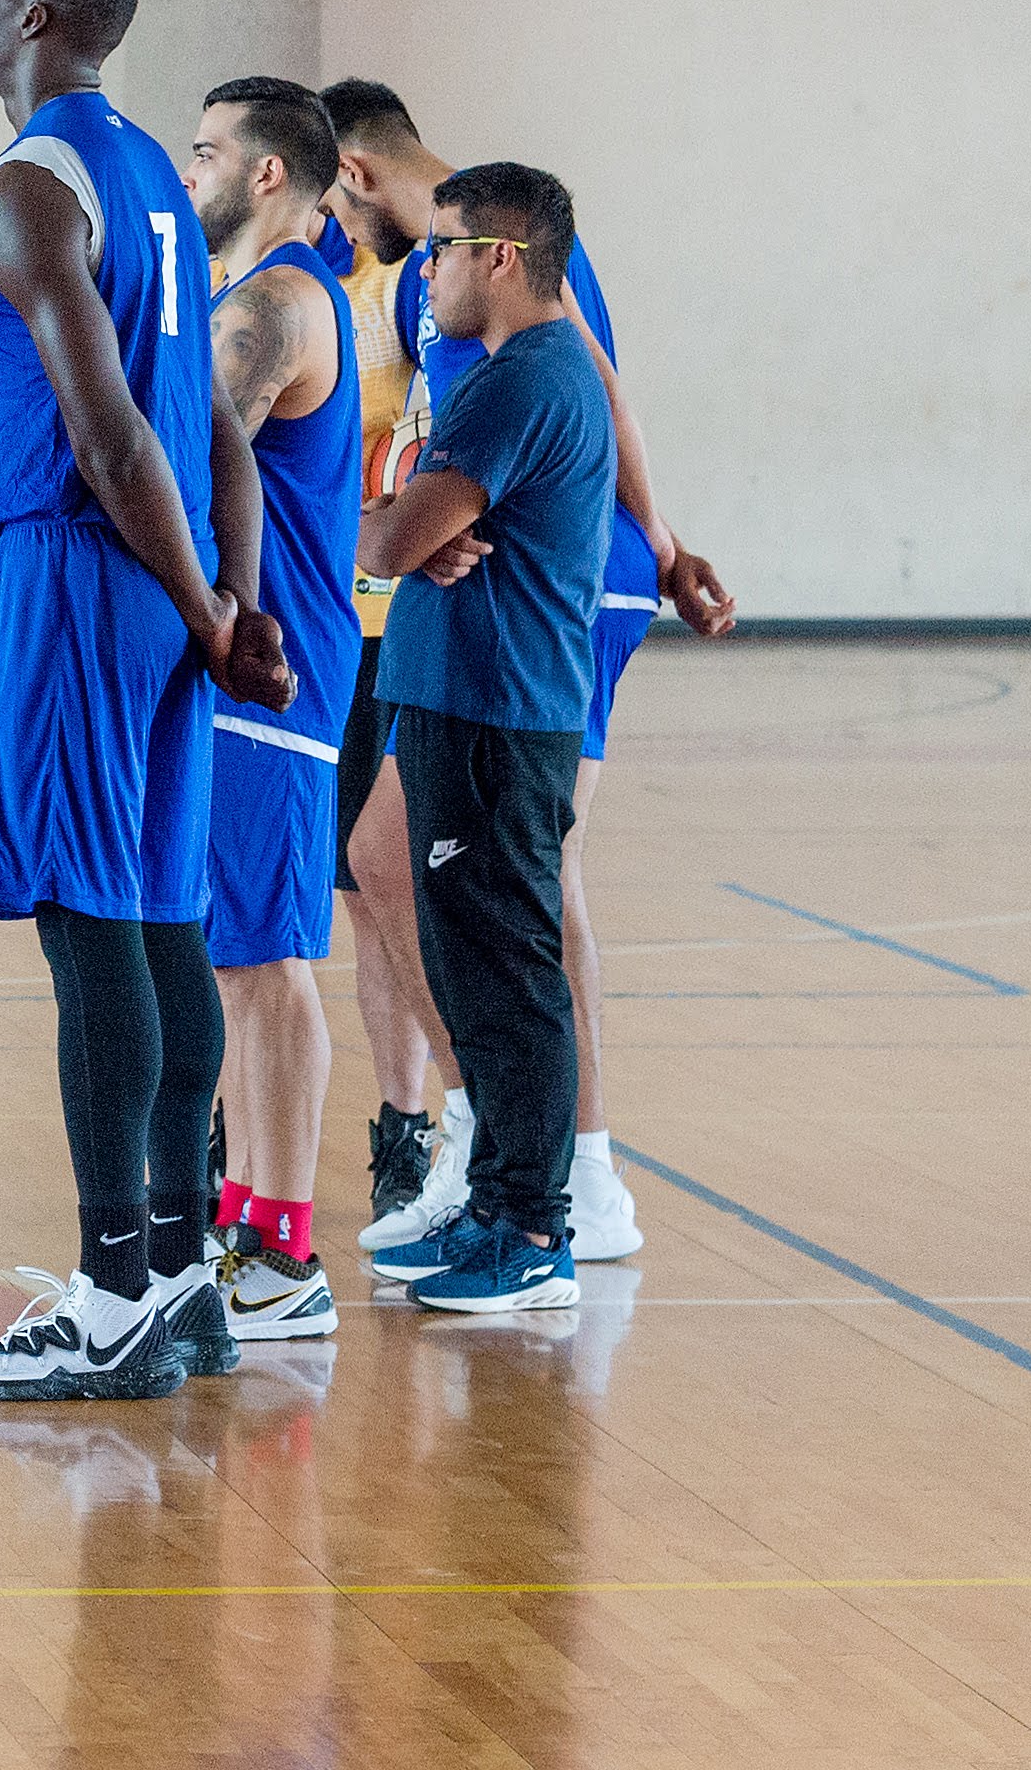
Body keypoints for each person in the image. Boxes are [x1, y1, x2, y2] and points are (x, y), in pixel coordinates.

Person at [0, 0, 291, 1405]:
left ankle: (109, 1292)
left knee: (95, 936)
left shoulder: (29, 186)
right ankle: (180, 1282)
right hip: (166, 579)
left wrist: (217, 613)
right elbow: (215, 423)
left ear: (39, 21)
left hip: (89, 575)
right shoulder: (153, 173)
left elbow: (109, 430)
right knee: (156, 924)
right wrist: (232, 597)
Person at [324, 80, 734, 1268]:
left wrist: (660, 549)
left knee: (525, 879)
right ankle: (486, 1137)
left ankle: (574, 1176)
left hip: (560, 567)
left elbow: (604, 393)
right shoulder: (431, 285)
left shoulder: (505, 282)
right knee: (387, 860)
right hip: (470, 566)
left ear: (353, 172)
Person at [353, 165, 621, 1315]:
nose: (430, 272)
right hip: (466, 702)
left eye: (445, 249)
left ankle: (535, 1228)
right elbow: (418, 535)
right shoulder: (515, 377)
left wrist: (388, 529)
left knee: (509, 974)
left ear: (499, 258)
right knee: (470, 960)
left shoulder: (525, 380)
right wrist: (409, 533)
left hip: (503, 713)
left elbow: (395, 538)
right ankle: (498, 1200)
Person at [179, 78, 359, 1342]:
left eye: (204, 154)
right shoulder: (238, 298)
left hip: (270, 666)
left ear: (267, 178)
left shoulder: (279, 303)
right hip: (238, 662)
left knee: (266, 964)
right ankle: (243, 1218)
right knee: (231, 957)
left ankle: (283, 1251)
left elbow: (189, 456)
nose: (188, 176)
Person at [316, 188, 441, 1229]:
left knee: (383, 880)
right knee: (344, 892)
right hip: (303, 623)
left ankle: (421, 1124)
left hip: (383, 624)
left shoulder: (402, 291)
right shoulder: (268, 282)